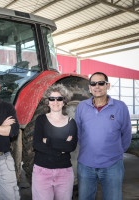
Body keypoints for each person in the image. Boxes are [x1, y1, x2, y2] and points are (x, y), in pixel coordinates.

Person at [75, 72, 132, 200]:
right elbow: (78, 133)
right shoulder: (81, 107)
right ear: (89, 87)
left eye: (101, 83)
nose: (97, 86)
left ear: (108, 85)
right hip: (85, 166)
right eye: (93, 83)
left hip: (112, 166)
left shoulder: (120, 107)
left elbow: (126, 134)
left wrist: (114, 153)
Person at [32, 84, 78, 200]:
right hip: (42, 172)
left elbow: (71, 146)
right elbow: (37, 144)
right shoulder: (41, 120)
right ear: (48, 101)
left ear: (64, 102)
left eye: (59, 98)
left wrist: (48, 141)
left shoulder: (71, 122)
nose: (55, 102)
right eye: (52, 99)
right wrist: (61, 149)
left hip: (64, 173)